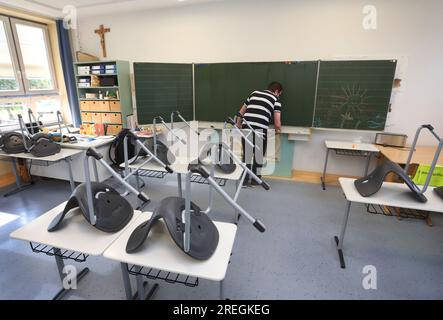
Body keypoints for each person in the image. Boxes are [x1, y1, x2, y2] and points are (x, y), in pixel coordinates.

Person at [236, 81, 283, 186]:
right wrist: (278, 131)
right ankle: (255, 180)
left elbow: (241, 111)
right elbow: (277, 122)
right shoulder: (276, 100)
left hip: (246, 127)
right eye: (280, 93)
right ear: (276, 91)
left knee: (247, 155)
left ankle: (244, 180)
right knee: (259, 156)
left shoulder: (254, 93)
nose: (279, 95)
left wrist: (239, 124)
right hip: (260, 131)